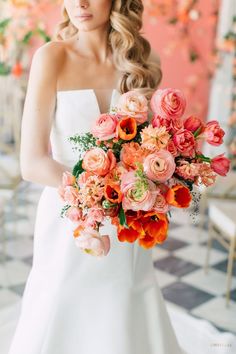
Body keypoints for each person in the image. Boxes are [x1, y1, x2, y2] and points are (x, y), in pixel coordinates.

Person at [5, 1, 236, 354]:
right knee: (61, 301)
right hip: (69, 214)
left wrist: (156, 179)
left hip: (129, 215)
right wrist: (100, 191)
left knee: (124, 299)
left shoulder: (142, 65)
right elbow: (32, 162)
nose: (80, 4)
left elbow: (150, 149)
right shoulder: (51, 57)